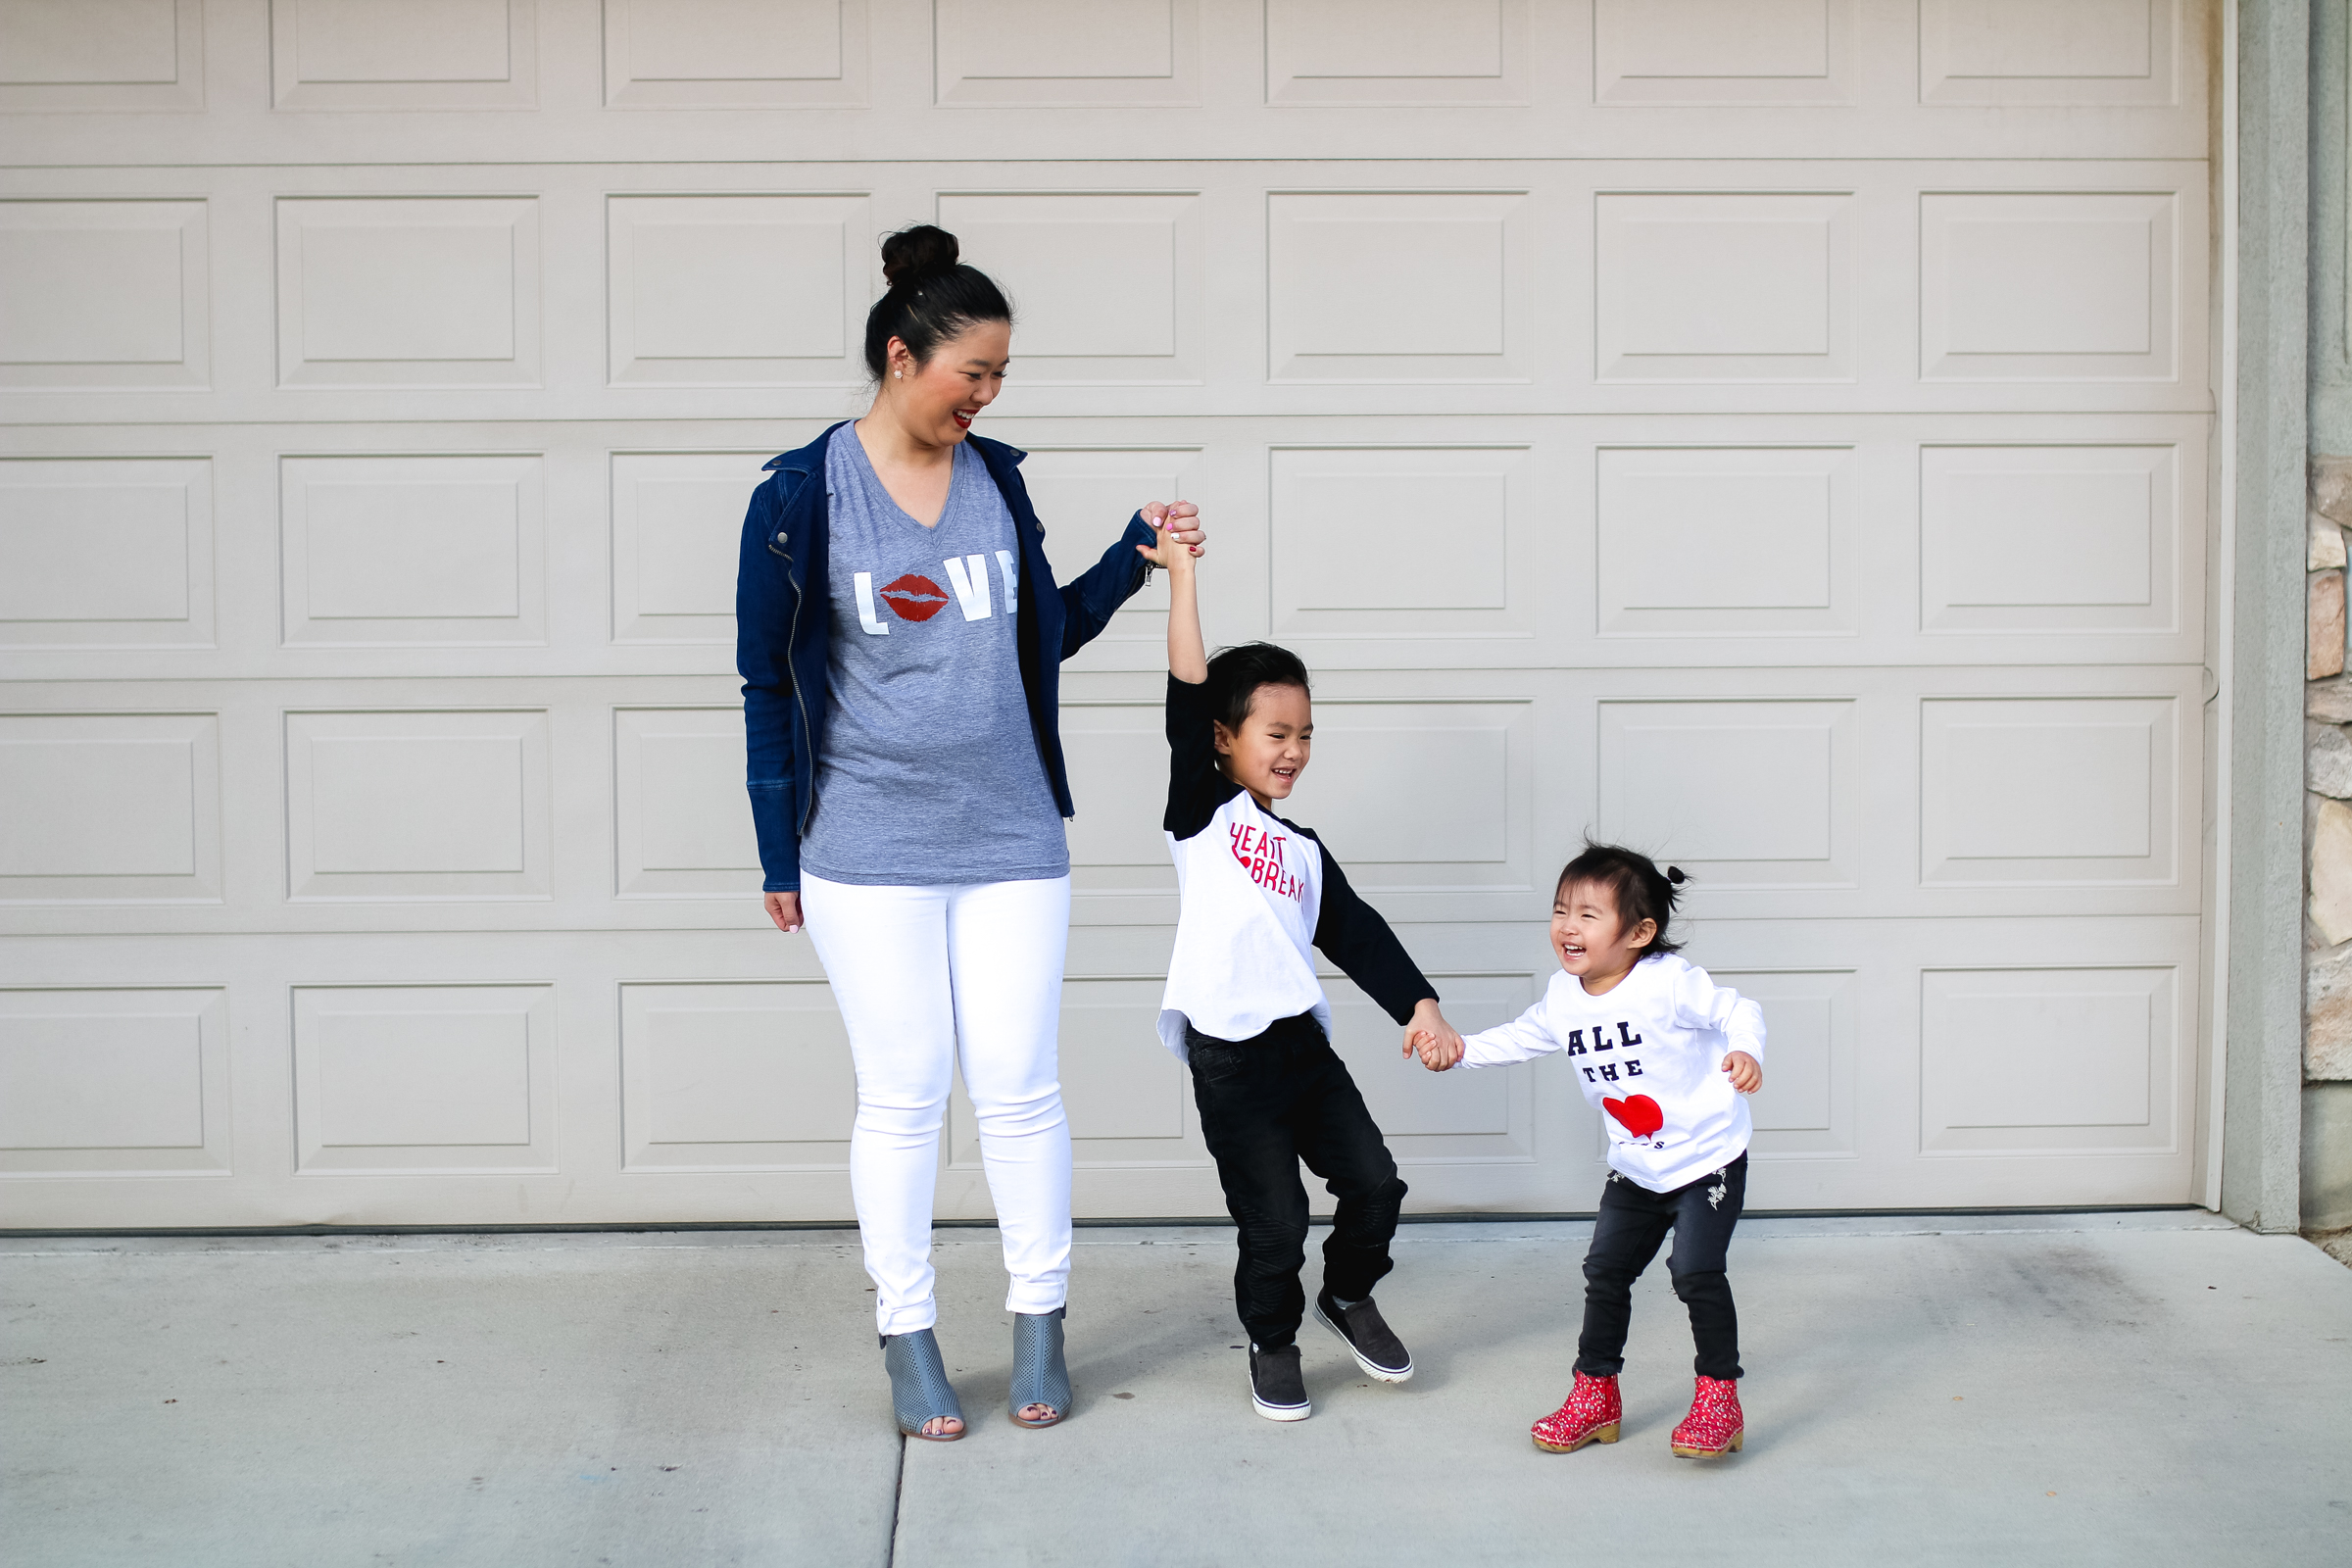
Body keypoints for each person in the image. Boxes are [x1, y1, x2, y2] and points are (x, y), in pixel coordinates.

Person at [735, 224, 1206, 1441]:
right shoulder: (798, 499)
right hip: (867, 846)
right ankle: (908, 1336)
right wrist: (777, 849)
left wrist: (1131, 560)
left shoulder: (997, 478)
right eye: (973, 374)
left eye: (1000, 378)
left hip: (1009, 836)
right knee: (902, 1094)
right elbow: (767, 686)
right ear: (903, 357)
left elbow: (1039, 630)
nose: (987, 398)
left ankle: (1040, 1319)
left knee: (1019, 1089)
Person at [1146, 510, 1465, 1422]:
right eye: (1274, 732)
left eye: (1305, 734)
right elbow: (1186, 688)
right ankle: (1273, 1341)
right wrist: (1181, 579)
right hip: (1231, 1060)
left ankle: (1349, 1293)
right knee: (1274, 1225)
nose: (1292, 750)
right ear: (1224, 739)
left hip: (1302, 1053)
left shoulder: (1306, 851)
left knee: (1374, 1182)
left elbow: (1357, 932)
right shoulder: (1203, 816)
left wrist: (1422, 1005)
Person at [1413, 843, 1766, 1458]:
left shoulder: (1669, 984)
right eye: (1560, 911)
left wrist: (1746, 1050)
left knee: (1695, 1272)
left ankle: (1718, 1398)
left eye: (1588, 915)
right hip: (1636, 1164)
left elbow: (1738, 1008)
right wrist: (1460, 1048)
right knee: (1606, 1272)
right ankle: (1596, 1392)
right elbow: (1524, 1036)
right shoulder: (1564, 995)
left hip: (1707, 1158)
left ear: (1640, 932)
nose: (1568, 927)